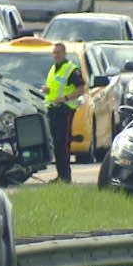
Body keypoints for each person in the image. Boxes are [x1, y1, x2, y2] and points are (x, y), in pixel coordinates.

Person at [41, 42, 85, 184]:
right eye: (54, 53)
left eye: (58, 53)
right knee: (56, 144)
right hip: (52, 109)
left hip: (64, 110)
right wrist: (47, 91)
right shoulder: (53, 69)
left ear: (64, 53)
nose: (56, 55)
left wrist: (66, 98)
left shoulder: (71, 69)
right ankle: (60, 175)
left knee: (63, 143)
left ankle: (66, 177)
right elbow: (55, 89)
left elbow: (81, 89)